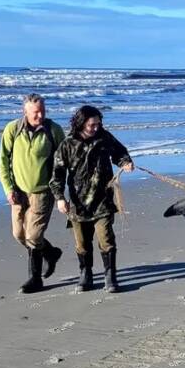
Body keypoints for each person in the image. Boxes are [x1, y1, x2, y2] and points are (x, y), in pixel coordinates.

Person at [50, 105, 134, 293]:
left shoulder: (104, 137)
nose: (96, 127)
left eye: (98, 123)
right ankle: (85, 274)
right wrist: (59, 198)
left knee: (106, 238)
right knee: (82, 243)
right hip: (78, 204)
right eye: (92, 125)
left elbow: (120, 152)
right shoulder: (68, 144)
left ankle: (110, 276)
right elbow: (57, 174)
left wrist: (126, 162)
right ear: (81, 123)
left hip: (103, 199)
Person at [0, 93, 66, 293]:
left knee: (34, 236)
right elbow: (3, 161)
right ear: (25, 112)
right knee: (19, 234)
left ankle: (35, 279)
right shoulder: (12, 129)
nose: (40, 115)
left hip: (43, 192)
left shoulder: (53, 130)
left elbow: (63, 161)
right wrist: (8, 189)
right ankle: (51, 253)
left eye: (43, 111)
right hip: (18, 193)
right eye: (35, 112)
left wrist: (60, 191)